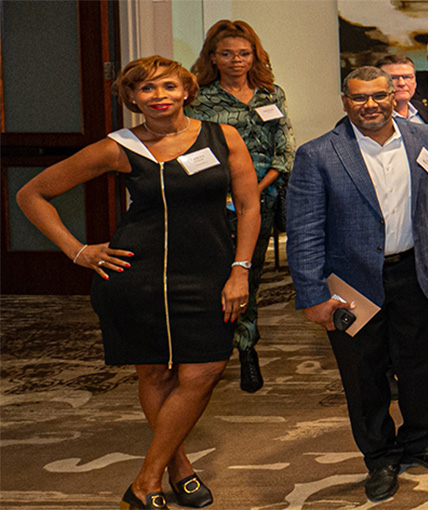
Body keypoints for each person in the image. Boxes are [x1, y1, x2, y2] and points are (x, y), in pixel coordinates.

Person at [16, 56, 257, 510]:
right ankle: (179, 467)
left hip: (211, 274)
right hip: (136, 277)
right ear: (130, 99)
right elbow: (32, 194)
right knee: (155, 372)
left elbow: (248, 207)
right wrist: (78, 250)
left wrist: (240, 268)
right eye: (146, 89)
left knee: (204, 371)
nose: (159, 96)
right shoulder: (118, 147)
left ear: (187, 90)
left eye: (168, 86)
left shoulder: (222, 137)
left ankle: (145, 480)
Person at [288, 66, 428, 502]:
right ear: (345, 101)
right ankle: (380, 456)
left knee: (421, 364)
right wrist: (312, 295)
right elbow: (305, 230)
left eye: (379, 96)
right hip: (351, 284)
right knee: (364, 375)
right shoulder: (319, 154)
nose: (370, 105)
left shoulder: (424, 139)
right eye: (359, 97)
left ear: (394, 96)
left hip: (416, 271)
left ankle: (421, 440)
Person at [185, 20, 291, 387]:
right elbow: (188, 150)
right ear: (213, 57)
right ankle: (216, 345)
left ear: (254, 56)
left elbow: (284, 152)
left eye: (244, 54)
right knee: (215, 273)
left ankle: (247, 347)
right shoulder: (199, 98)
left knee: (248, 275)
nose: (236, 61)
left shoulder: (270, 95)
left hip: (260, 200)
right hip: (212, 201)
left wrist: (256, 189)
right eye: (227, 54)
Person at [376, 55, 425, 124]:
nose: (401, 83)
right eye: (393, 78)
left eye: (407, 77)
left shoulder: (420, 108)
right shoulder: (373, 117)